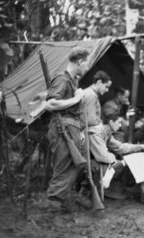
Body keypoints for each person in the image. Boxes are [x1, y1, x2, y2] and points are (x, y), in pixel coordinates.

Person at [45, 46, 89, 213]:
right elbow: (50, 104)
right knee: (62, 168)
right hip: (62, 129)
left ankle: (61, 202)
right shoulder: (62, 80)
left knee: (75, 166)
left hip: (72, 130)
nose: (87, 68)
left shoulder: (72, 81)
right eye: (86, 64)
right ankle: (54, 210)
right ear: (80, 62)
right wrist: (76, 98)